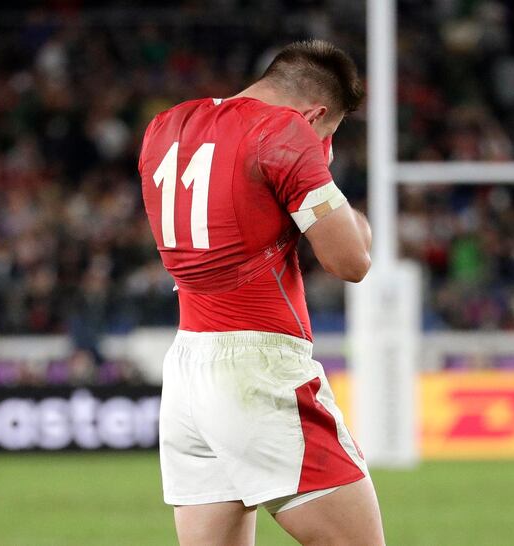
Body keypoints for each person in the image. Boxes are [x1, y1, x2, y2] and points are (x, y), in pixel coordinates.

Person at [139, 40, 384, 546]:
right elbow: (351, 262)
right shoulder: (284, 132)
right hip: (257, 368)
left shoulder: (166, 126)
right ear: (314, 114)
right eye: (329, 132)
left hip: (187, 370)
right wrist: (337, 195)